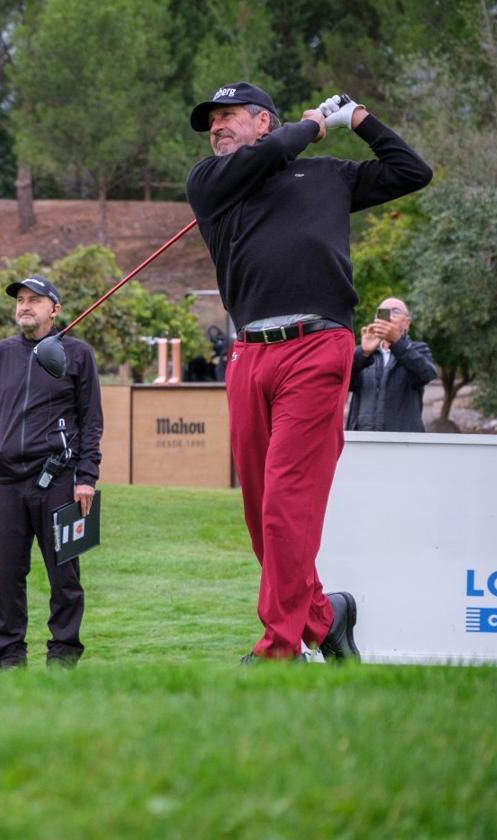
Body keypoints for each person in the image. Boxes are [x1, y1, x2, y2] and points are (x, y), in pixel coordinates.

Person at [185, 83, 432, 662]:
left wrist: (360, 119)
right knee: (258, 514)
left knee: (285, 503)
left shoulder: (327, 177)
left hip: (317, 347)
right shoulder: (209, 184)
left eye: (229, 117)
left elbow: (410, 172)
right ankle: (327, 615)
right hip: (249, 356)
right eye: (211, 121)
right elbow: (267, 157)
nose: (216, 127)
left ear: (263, 121)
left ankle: (279, 647)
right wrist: (312, 127)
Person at [0, 276, 103, 669]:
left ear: (55, 309)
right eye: (20, 301)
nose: (24, 306)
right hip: (7, 482)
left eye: (34, 300)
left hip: (60, 480)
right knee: (7, 577)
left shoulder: (76, 355)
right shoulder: (2, 354)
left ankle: (63, 657)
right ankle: (9, 659)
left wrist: (86, 477)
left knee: (65, 578)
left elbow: (90, 421)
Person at [347, 297, 436, 432]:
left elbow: (426, 375)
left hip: (402, 441)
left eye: (395, 312)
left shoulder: (418, 349)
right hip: (363, 438)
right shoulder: (364, 353)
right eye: (383, 312)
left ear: (407, 323)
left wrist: (397, 342)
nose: (388, 316)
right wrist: (362, 353)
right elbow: (343, 382)